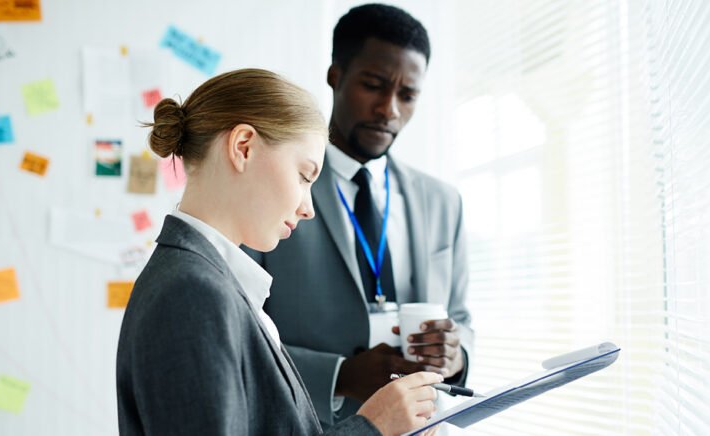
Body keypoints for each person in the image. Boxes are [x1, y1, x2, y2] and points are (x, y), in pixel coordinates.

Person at [116, 68, 443, 436]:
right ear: (243, 147)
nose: (309, 208)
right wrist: (372, 428)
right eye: (304, 176)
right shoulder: (191, 291)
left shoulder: (209, 282)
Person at [244, 3, 474, 426]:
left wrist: (457, 356)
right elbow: (240, 336)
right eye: (373, 85)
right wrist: (339, 376)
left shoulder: (444, 202)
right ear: (335, 75)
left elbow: (461, 319)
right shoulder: (272, 187)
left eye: (408, 95)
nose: (389, 109)